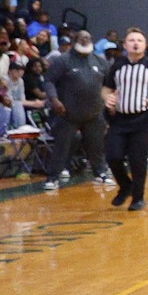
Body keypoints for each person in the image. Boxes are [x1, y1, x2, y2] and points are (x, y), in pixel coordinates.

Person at [103, 28, 148, 212]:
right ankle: (126, 186)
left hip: (142, 120)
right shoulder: (117, 66)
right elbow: (106, 88)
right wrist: (107, 98)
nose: (135, 43)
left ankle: (138, 197)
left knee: (137, 159)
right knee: (113, 156)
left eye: (139, 40)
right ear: (125, 45)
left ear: (145, 45)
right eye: (132, 40)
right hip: (119, 119)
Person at [43, 30, 107, 190]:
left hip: (93, 113)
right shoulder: (63, 60)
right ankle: (52, 178)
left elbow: (109, 84)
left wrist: (108, 100)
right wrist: (54, 100)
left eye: (87, 38)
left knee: (96, 146)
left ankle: (100, 173)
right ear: (74, 40)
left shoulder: (100, 61)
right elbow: (49, 80)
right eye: (81, 38)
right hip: (67, 113)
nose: (85, 40)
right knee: (62, 147)